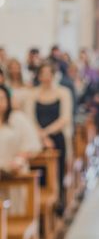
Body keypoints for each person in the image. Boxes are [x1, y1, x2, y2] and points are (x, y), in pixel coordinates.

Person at [24, 62, 72, 208]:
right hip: (37, 139)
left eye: (48, 74)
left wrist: (47, 133)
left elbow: (65, 118)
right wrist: (41, 136)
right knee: (41, 174)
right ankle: (41, 206)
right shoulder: (33, 94)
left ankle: (59, 200)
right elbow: (29, 117)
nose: (46, 77)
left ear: (53, 75)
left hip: (57, 137)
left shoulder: (63, 92)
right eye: (42, 74)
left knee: (57, 171)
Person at [0, 84, 41, 173]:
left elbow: (31, 144)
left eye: (1, 98)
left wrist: (18, 160)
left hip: (14, 172)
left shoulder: (18, 118)